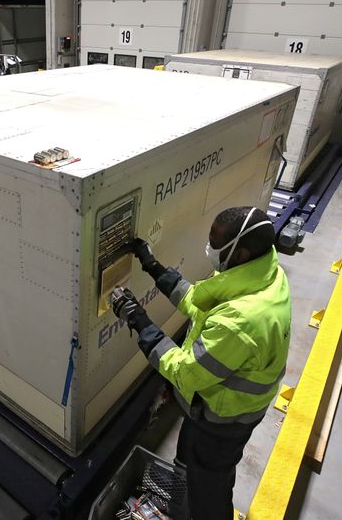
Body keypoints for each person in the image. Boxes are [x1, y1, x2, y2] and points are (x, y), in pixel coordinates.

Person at [110, 206, 291, 519]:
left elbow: (184, 374)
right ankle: (185, 507)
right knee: (197, 467)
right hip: (221, 411)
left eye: (215, 243)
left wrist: (137, 319)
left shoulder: (241, 320)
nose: (209, 248)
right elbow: (199, 302)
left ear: (241, 253)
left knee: (208, 488)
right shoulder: (261, 274)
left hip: (224, 422)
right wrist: (152, 266)